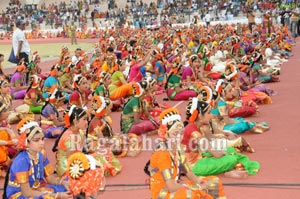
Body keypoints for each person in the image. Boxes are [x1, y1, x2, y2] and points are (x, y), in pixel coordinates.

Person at [148, 107, 226, 199]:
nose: (179, 137)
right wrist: (195, 187)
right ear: (166, 134)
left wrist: (199, 182)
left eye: (181, 133)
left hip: (177, 186)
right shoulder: (162, 153)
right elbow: (172, 187)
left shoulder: (178, 149)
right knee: (192, 194)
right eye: (175, 133)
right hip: (162, 193)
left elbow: (188, 171)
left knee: (214, 182)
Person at [3, 119, 72, 199]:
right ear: (27, 142)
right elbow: (26, 193)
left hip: (36, 189)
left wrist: (63, 182)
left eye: (42, 139)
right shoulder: (22, 161)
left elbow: (49, 178)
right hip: (20, 194)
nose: (41, 143)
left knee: (68, 183)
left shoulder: (41, 154)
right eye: (36, 140)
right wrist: (56, 196)